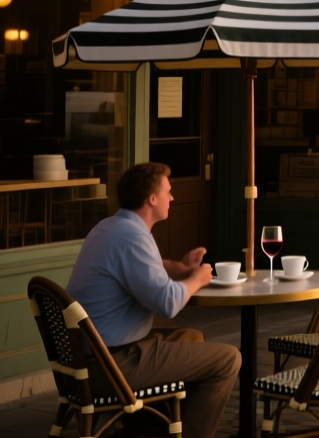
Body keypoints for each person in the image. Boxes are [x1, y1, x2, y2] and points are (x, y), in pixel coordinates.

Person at [66, 163, 238, 438]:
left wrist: (180, 267)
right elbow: (168, 303)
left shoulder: (110, 227)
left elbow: (142, 268)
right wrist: (198, 279)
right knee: (228, 359)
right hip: (111, 366)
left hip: (89, 359)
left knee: (191, 337)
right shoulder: (133, 237)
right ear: (152, 198)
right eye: (168, 192)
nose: (172, 198)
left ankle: (150, 429)